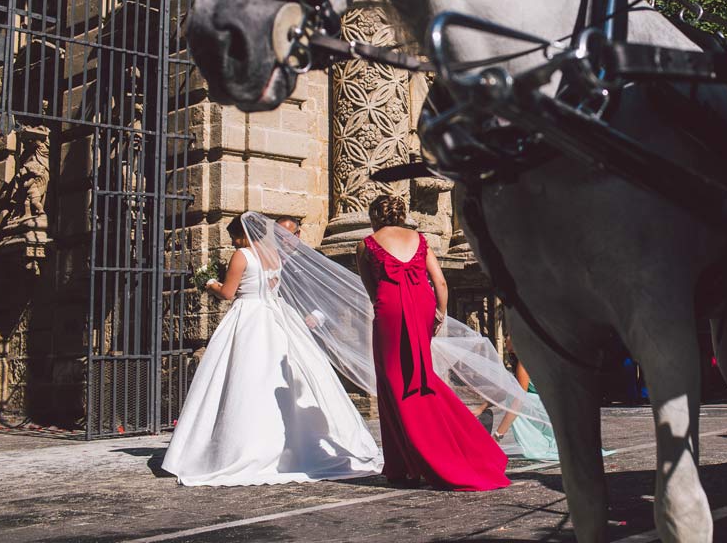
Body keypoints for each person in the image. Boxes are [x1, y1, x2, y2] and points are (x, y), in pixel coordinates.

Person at [162, 216, 383, 486]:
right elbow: (271, 288)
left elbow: (229, 293)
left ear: (242, 236)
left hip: (248, 317)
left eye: (234, 237)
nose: (233, 242)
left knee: (244, 379)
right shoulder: (274, 257)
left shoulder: (242, 255)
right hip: (275, 318)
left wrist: (208, 283)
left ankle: (239, 447)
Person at [356, 195, 510, 490]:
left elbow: (371, 290)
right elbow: (439, 281)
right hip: (423, 304)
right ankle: (460, 446)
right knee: (421, 376)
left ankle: (405, 464)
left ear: (375, 215)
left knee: (393, 381)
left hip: (390, 308)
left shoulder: (367, 244)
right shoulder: (420, 238)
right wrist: (439, 313)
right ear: (401, 214)